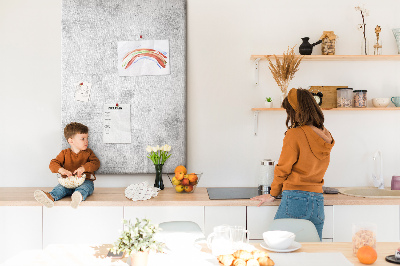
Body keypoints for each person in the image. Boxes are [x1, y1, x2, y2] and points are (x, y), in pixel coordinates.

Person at [251, 88, 334, 240]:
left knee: (277, 246)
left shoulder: (295, 134)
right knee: (312, 252)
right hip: (317, 201)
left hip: (295, 199)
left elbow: (283, 169)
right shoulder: (325, 135)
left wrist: (273, 194)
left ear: (296, 111)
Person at [34, 122, 100, 209]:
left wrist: (83, 168)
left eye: (87, 138)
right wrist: (62, 170)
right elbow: (53, 164)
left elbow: (96, 163)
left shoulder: (89, 153)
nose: (86, 141)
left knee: (85, 188)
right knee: (60, 188)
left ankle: (77, 196)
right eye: (82, 139)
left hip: (85, 181)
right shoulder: (64, 153)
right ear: (71, 141)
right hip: (67, 182)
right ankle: (50, 197)